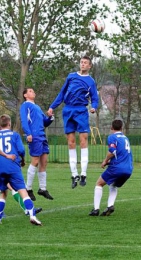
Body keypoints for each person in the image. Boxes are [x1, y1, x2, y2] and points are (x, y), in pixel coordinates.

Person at [47, 55, 99, 189]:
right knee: (71, 142)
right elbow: (61, 93)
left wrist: (93, 107)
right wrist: (52, 107)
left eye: (85, 62)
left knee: (83, 140)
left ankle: (83, 173)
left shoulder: (91, 81)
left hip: (81, 111)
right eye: (81, 62)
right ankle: (74, 174)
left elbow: (95, 98)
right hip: (68, 110)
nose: (82, 64)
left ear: (89, 66)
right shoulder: (71, 76)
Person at [0, 114, 42, 225]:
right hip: (13, 166)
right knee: (23, 192)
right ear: (9, 124)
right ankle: (32, 216)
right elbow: (21, 150)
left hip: (0, 167)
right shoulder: (15, 135)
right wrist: (22, 159)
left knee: (3, 193)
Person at [89, 119, 133, 216]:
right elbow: (121, 154)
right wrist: (110, 161)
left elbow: (112, 151)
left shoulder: (112, 137)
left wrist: (105, 161)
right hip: (128, 169)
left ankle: (96, 209)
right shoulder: (126, 138)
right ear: (122, 128)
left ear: (111, 128)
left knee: (99, 184)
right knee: (113, 185)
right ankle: (110, 206)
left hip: (117, 168)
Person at [20, 88, 54, 201]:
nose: (33, 92)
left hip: (42, 136)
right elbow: (24, 121)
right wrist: (28, 133)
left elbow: (45, 122)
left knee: (44, 162)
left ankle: (42, 188)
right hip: (34, 136)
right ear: (25, 95)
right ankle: (28, 188)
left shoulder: (37, 107)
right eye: (30, 91)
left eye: (34, 91)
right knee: (35, 161)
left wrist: (50, 117)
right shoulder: (25, 105)